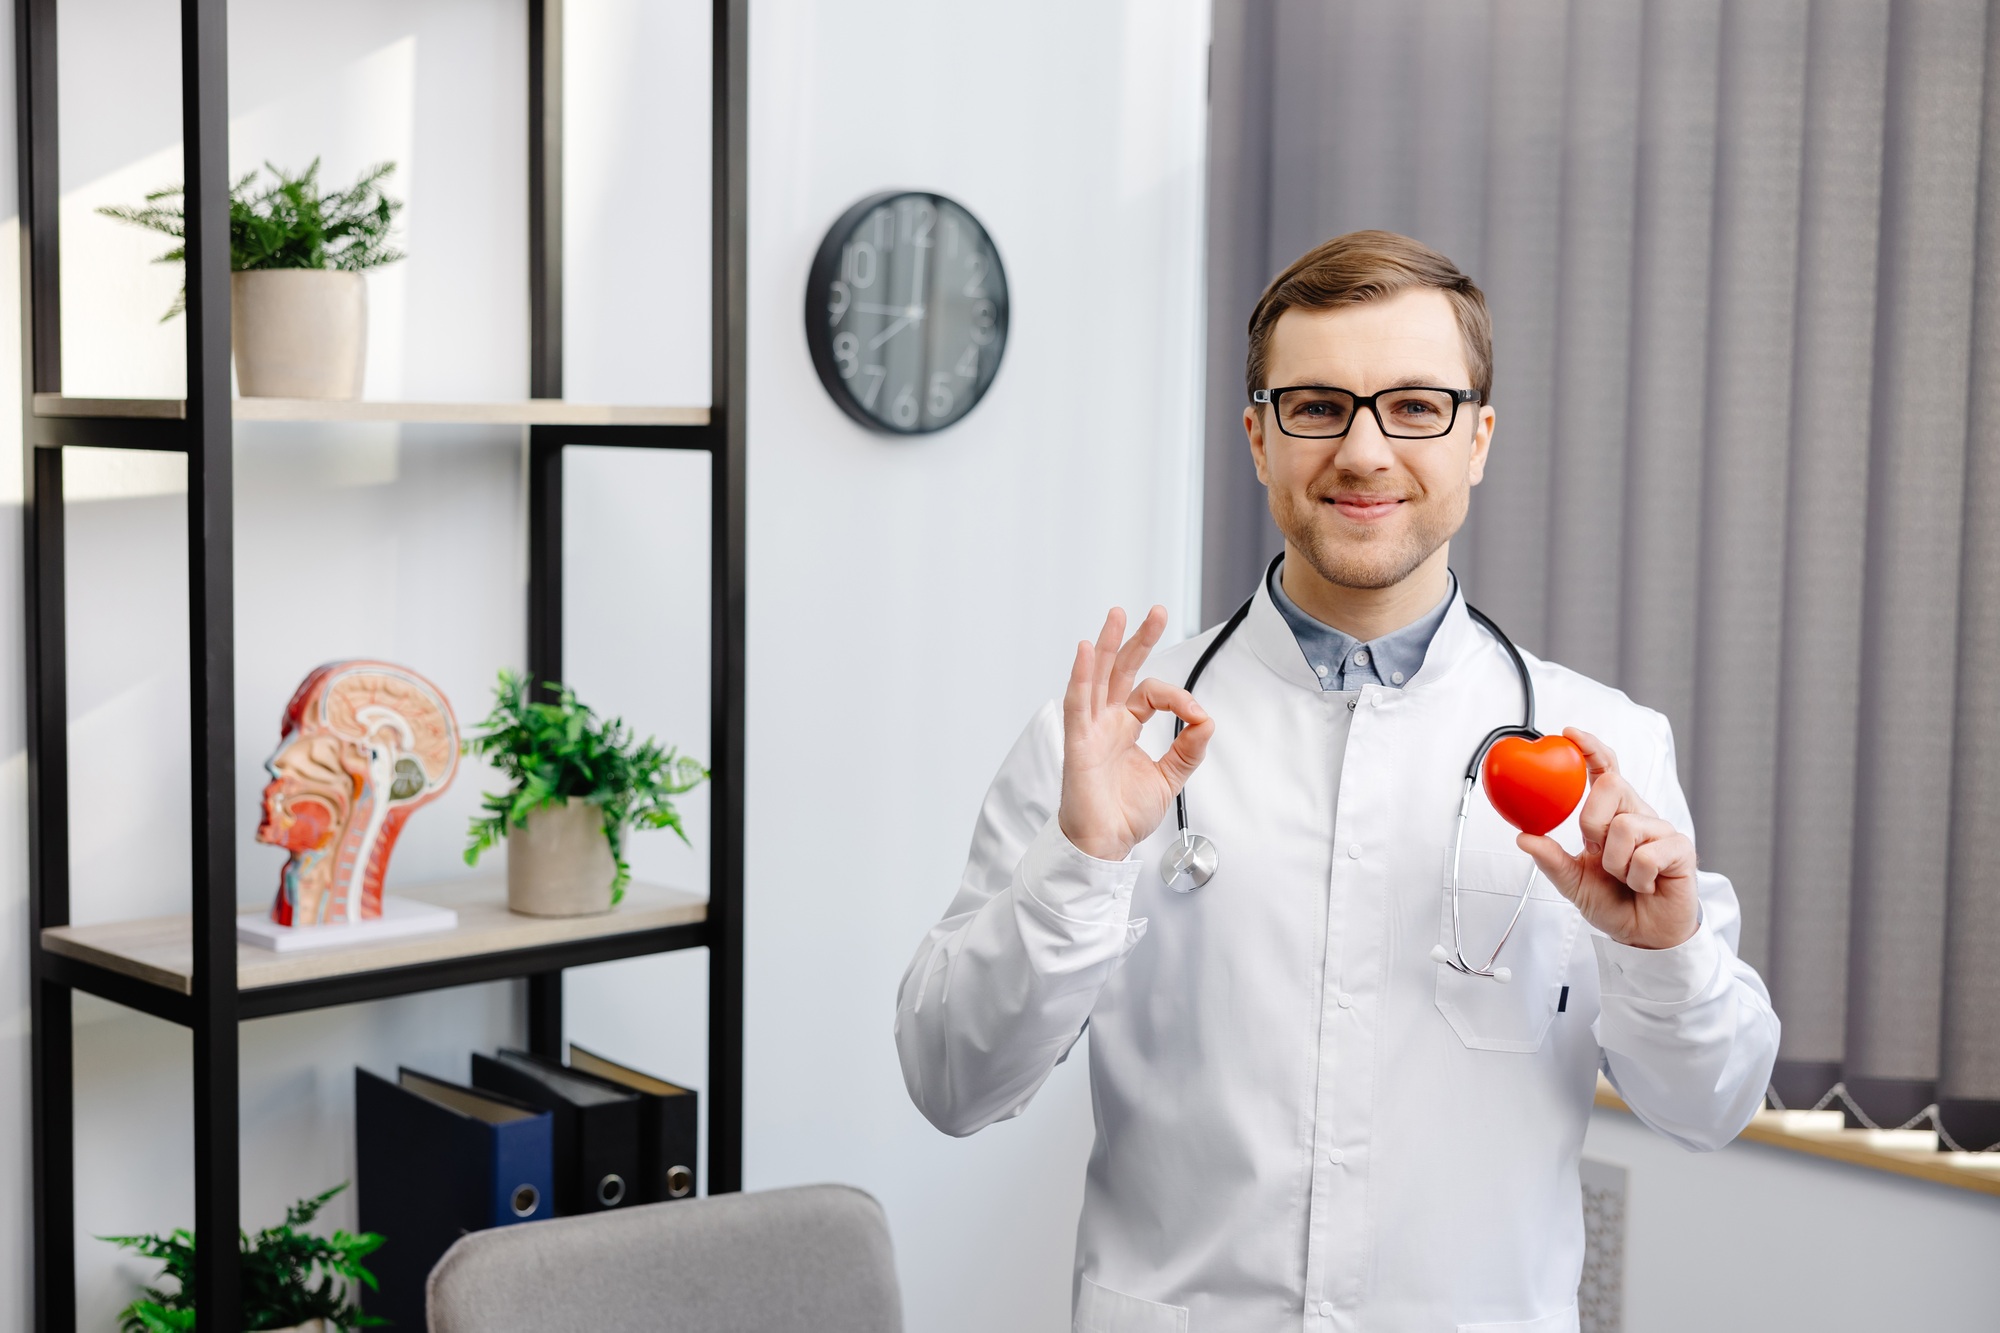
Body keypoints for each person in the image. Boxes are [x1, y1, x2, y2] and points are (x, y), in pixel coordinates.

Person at [894, 230, 1779, 1333]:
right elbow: (949, 1080)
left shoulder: (1601, 742)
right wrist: (1076, 866)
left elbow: (1708, 1105)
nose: (1363, 451)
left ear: (1478, 439)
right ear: (1259, 438)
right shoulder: (1108, 738)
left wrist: (1660, 953)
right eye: (1317, 406)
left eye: (1415, 406)